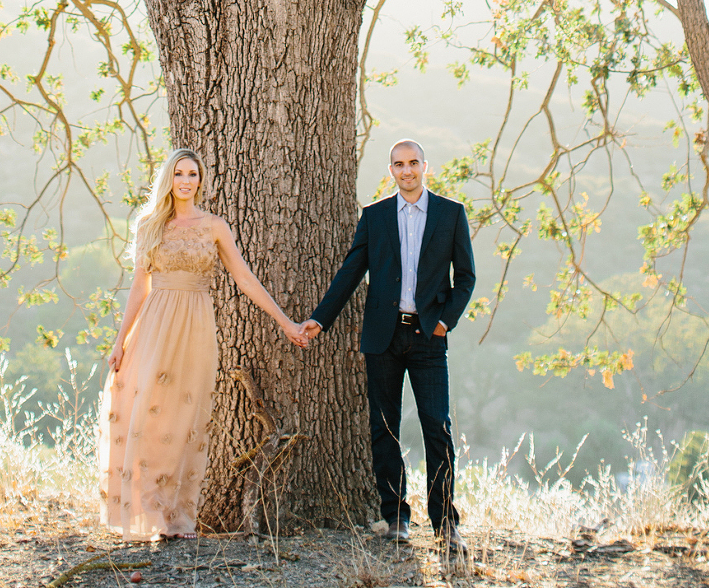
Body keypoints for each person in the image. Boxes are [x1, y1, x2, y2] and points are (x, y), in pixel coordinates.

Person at [98, 145, 307, 540]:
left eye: (193, 174)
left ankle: (177, 518)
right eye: (179, 174)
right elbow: (138, 289)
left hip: (195, 326)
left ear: (201, 181)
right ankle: (149, 510)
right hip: (154, 325)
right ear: (168, 179)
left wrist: (285, 322)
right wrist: (119, 341)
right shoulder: (149, 226)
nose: (186, 181)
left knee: (184, 420)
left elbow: (244, 279)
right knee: (147, 415)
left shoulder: (214, 226)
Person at [300, 139, 475, 563]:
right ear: (391, 170)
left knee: (438, 426)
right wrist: (320, 319)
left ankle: (445, 523)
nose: (407, 171)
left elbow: (465, 277)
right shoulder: (375, 217)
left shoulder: (451, 214)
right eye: (399, 164)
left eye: (413, 163)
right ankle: (395, 517)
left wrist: (442, 323)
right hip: (383, 338)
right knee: (384, 428)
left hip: (428, 338)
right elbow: (350, 272)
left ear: (424, 166)